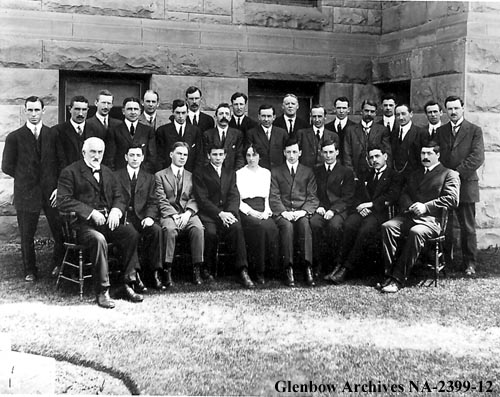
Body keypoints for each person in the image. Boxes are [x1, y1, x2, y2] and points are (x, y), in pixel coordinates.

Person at [57, 137, 144, 308]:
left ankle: (125, 284)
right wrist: (90, 212)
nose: (96, 156)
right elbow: (63, 200)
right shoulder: (70, 172)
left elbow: (120, 196)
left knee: (130, 233)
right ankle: (103, 291)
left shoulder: (107, 172)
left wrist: (116, 211)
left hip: (107, 221)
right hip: (82, 225)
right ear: (84, 153)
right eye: (93, 152)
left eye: (100, 152)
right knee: (99, 240)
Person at [380, 142, 460, 293]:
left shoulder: (449, 174)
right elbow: (404, 193)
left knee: (416, 232)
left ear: (438, 155)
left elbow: (452, 199)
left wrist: (425, 206)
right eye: (423, 153)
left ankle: (398, 279)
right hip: (411, 216)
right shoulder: (415, 173)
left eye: (429, 154)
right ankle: (388, 274)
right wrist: (410, 205)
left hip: (432, 220)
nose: (425, 157)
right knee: (388, 226)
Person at [2, 96, 63, 282]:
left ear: (43, 111)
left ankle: (57, 264)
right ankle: (30, 270)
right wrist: (24, 178)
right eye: (30, 110)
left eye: (37, 110)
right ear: (25, 111)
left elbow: (61, 163)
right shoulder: (14, 137)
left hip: (51, 193)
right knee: (26, 235)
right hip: (26, 193)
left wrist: (58, 187)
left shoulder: (53, 135)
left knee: (59, 231)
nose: (34, 114)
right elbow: (7, 166)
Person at [326, 145, 401, 284]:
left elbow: (392, 195)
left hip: (381, 213)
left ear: (385, 156)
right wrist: (361, 207)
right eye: (371, 157)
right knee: (349, 224)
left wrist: (371, 205)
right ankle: (338, 264)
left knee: (365, 230)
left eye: (377, 156)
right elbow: (357, 195)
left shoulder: (393, 175)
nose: (374, 160)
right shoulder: (366, 174)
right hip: (363, 211)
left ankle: (346, 269)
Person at [193, 143, 255, 288]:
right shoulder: (200, 172)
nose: (218, 158)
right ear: (209, 156)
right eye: (214, 154)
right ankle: (207, 269)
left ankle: (242, 270)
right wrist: (219, 213)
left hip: (228, 213)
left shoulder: (230, 172)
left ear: (225, 156)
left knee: (237, 228)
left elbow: (234, 195)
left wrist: (230, 213)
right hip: (210, 214)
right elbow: (202, 199)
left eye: (221, 154)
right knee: (210, 233)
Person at [437, 95, 485, 276]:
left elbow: (477, 157)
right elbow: (438, 156)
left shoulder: (474, 130)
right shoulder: (441, 131)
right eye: (449, 109)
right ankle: (446, 262)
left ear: (463, 108)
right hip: (446, 186)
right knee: (446, 226)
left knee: (467, 227)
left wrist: (456, 172)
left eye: (456, 108)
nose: (453, 112)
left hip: (466, 185)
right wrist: (445, 176)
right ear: (446, 111)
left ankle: (470, 264)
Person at [114, 144, 164, 291]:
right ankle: (135, 275)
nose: (135, 159)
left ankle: (154, 273)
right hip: (124, 217)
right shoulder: (116, 175)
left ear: (142, 158)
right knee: (133, 235)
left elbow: (153, 201)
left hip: (142, 216)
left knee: (156, 231)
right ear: (125, 157)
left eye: (138, 156)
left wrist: (149, 217)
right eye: (131, 155)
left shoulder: (149, 177)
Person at [269, 138, 319, 287]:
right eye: (289, 152)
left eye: (294, 152)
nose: (291, 155)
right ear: (284, 153)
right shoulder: (276, 171)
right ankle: (288, 268)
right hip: (283, 212)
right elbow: (274, 195)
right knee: (287, 227)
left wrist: (303, 211)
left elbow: (312, 196)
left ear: (300, 153)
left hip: (300, 212)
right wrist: (284, 212)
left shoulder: (307, 171)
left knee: (304, 225)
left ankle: (307, 267)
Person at [155, 142, 205, 285]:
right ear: (171, 155)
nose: (182, 157)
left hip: (187, 213)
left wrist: (188, 213)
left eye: (185, 155)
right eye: (179, 154)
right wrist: (174, 215)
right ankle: (167, 270)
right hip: (169, 214)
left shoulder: (191, 176)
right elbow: (161, 198)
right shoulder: (160, 175)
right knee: (170, 230)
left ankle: (196, 270)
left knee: (198, 229)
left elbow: (195, 197)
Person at [310, 139, 355, 277]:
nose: (328, 155)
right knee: (314, 223)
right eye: (325, 152)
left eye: (331, 152)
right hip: (321, 208)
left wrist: (333, 210)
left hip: (339, 209)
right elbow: (312, 191)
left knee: (334, 226)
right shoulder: (316, 170)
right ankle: (318, 263)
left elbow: (348, 197)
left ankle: (334, 263)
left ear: (337, 152)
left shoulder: (346, 172)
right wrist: (319, 206)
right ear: (321, 153)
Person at [236, 144, 279, 284]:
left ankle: (271, 270)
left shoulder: (266, 173)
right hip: (247, 210)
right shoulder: (239, 173)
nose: (251, 158)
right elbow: (238, 200)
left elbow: (267, 197)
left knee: (272, 227)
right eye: (248, 155)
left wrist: (266, 212)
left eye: (254, 155)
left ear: (259, 156)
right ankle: (257, 271)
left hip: (263, 209)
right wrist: (252, 212)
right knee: (259, 228)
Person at [104, 97, 157, 173]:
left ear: (140, 111)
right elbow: (110, 158)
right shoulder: (114, 131)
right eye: (129, 109)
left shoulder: (148, 131)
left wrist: (143, 174)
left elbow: (152, 157)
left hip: (142, 176)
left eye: (135, 109)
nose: (133, 112)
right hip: (120, 177)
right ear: (123, 111)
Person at [344, 99, 391, 182]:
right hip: (356, 173)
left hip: (375, 174)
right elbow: (347, 155)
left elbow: (387, 153)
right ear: (361, 111)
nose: (369, 114)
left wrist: (384, 176)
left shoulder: (382, 130)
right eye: (366, 111)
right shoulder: (350, 130)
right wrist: (352, 175)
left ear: (376, 113)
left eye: (372, 111)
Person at [53, 95, 100, 172]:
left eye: (84, 110)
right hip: (67, 178)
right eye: (77, 109)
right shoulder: (57, 131)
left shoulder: (95, 131)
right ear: (70, 109)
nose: (81, 114)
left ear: (88, 110)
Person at [156, 99, 202, 172]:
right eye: (178, 113)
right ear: (172, 112)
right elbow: (159, 157)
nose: (180, 116)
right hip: (168, 173)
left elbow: (199, 156)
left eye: (183, 113)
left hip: (189, 174)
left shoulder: (195, 131)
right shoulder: (162, 131)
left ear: (187, 113)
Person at [202, 103, 245, 170]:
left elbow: (240, 157)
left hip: (232, 173)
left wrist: (234, 174)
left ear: (230, 117)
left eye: (227, 114)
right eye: (221, 114)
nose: (224, 116)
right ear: (215, 117)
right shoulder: (207, 134)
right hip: (212, 174)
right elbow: (205, 158)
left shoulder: (237, 134)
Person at [246, 104, 288, 170]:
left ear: (274, 117)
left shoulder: (282, 133)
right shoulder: (251, 133)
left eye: (269, 116)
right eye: (263, 116)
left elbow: (286, 152)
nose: (266, 119)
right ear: (259, 117)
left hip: (279, 171)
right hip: (259, 171)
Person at [392, 104, 427, 181]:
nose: (401, 117)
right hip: (396, 177)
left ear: (411, 114)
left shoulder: (420, 133)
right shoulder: (393, 133)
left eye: (403, 114)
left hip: (414, 178)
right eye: (397, 115)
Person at [325, 96, 357, 164]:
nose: (341, 111)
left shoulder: (355, 128)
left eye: (344, 108)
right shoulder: (327, 127)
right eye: (339, 108)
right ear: (334, 109)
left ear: (349, 109)